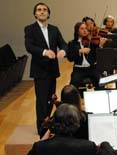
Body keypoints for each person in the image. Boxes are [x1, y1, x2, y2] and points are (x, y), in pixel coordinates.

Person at [25, 2, 67, 138]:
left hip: (52, 69)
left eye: (44, 10)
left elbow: (63, 43)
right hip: (40, 69)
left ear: (48, 13)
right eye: (39, 10)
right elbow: (29, 46)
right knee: (41, 100)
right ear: (35, 14)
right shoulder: (30, 29)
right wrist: (44, 52)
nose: (42, 12)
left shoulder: (54, 29)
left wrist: (63, 51)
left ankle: (48, 124)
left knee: (50, 99)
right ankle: (42, 129)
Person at [66, 22, 106, 93]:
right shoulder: (72, 43)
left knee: (101, 82)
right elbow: (70, 58)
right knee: (73, 85)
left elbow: (97, 57)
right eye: (82, 29)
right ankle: (76, 101)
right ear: (77, 31)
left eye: (86, 29)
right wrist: (79, 51)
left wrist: (100, 46)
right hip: (79, 69)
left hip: (92, 68)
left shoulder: (91, 42)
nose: (85, 30)